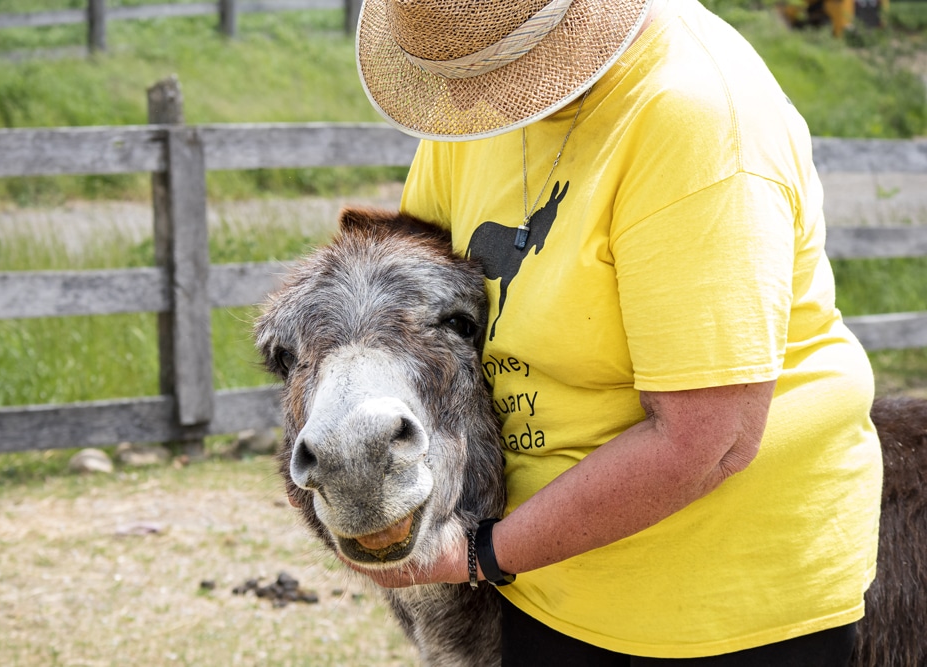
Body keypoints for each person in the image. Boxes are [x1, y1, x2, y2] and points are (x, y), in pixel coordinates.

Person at [352, 0, 883, 664]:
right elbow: (411, 289)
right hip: (540, 577)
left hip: (720, 605)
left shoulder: (694, 120)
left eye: (492, 69)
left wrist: (483, 552)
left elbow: (708, 440)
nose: (462, 100)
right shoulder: (480, 98)